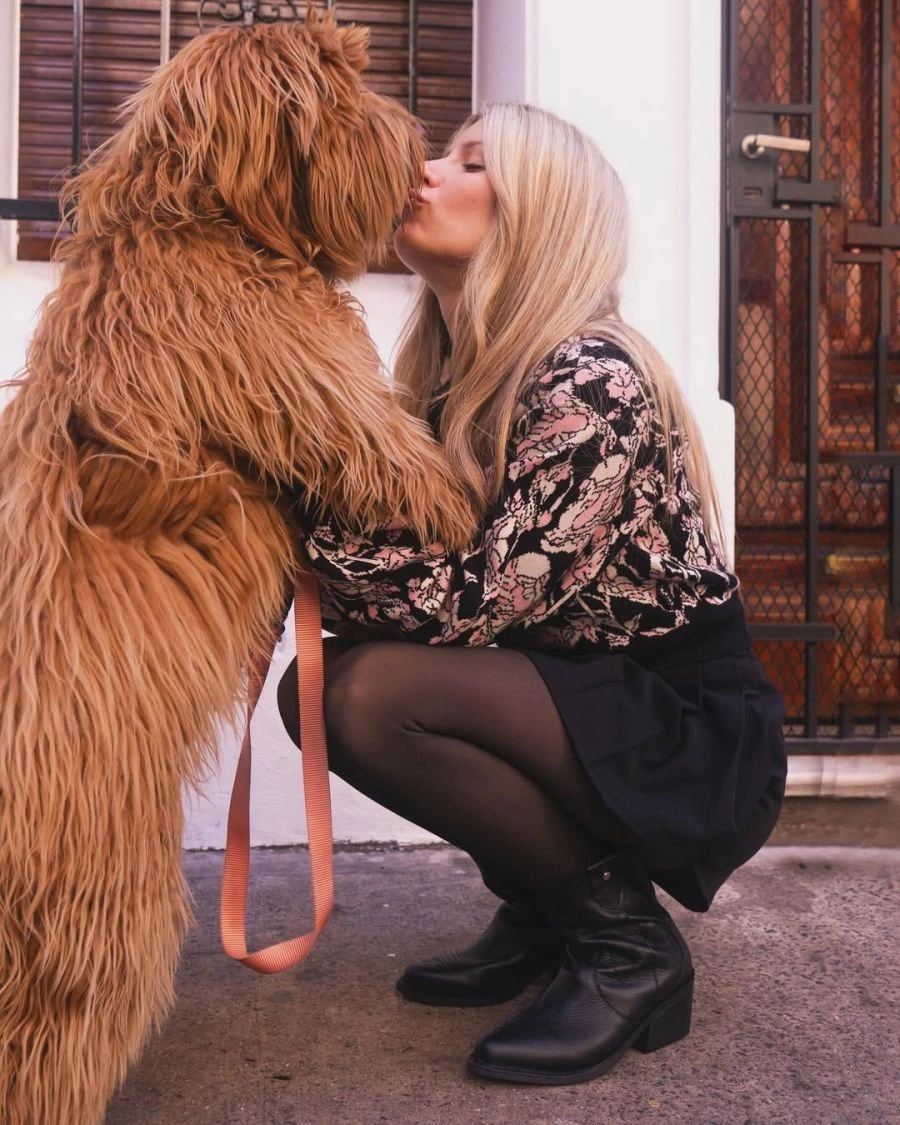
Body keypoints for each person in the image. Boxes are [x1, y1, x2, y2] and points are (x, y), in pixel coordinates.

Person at [277, 102, 787, 1086]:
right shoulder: (451, 376)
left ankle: (625, 946)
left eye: (472, 163)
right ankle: (549, 908)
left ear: (536, 214)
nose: (425, 170)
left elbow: (471, 605)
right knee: (327, 688)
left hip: (683, 729)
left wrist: (293, 551)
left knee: (361, 695)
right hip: (577, 694)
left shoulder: (592, 378)